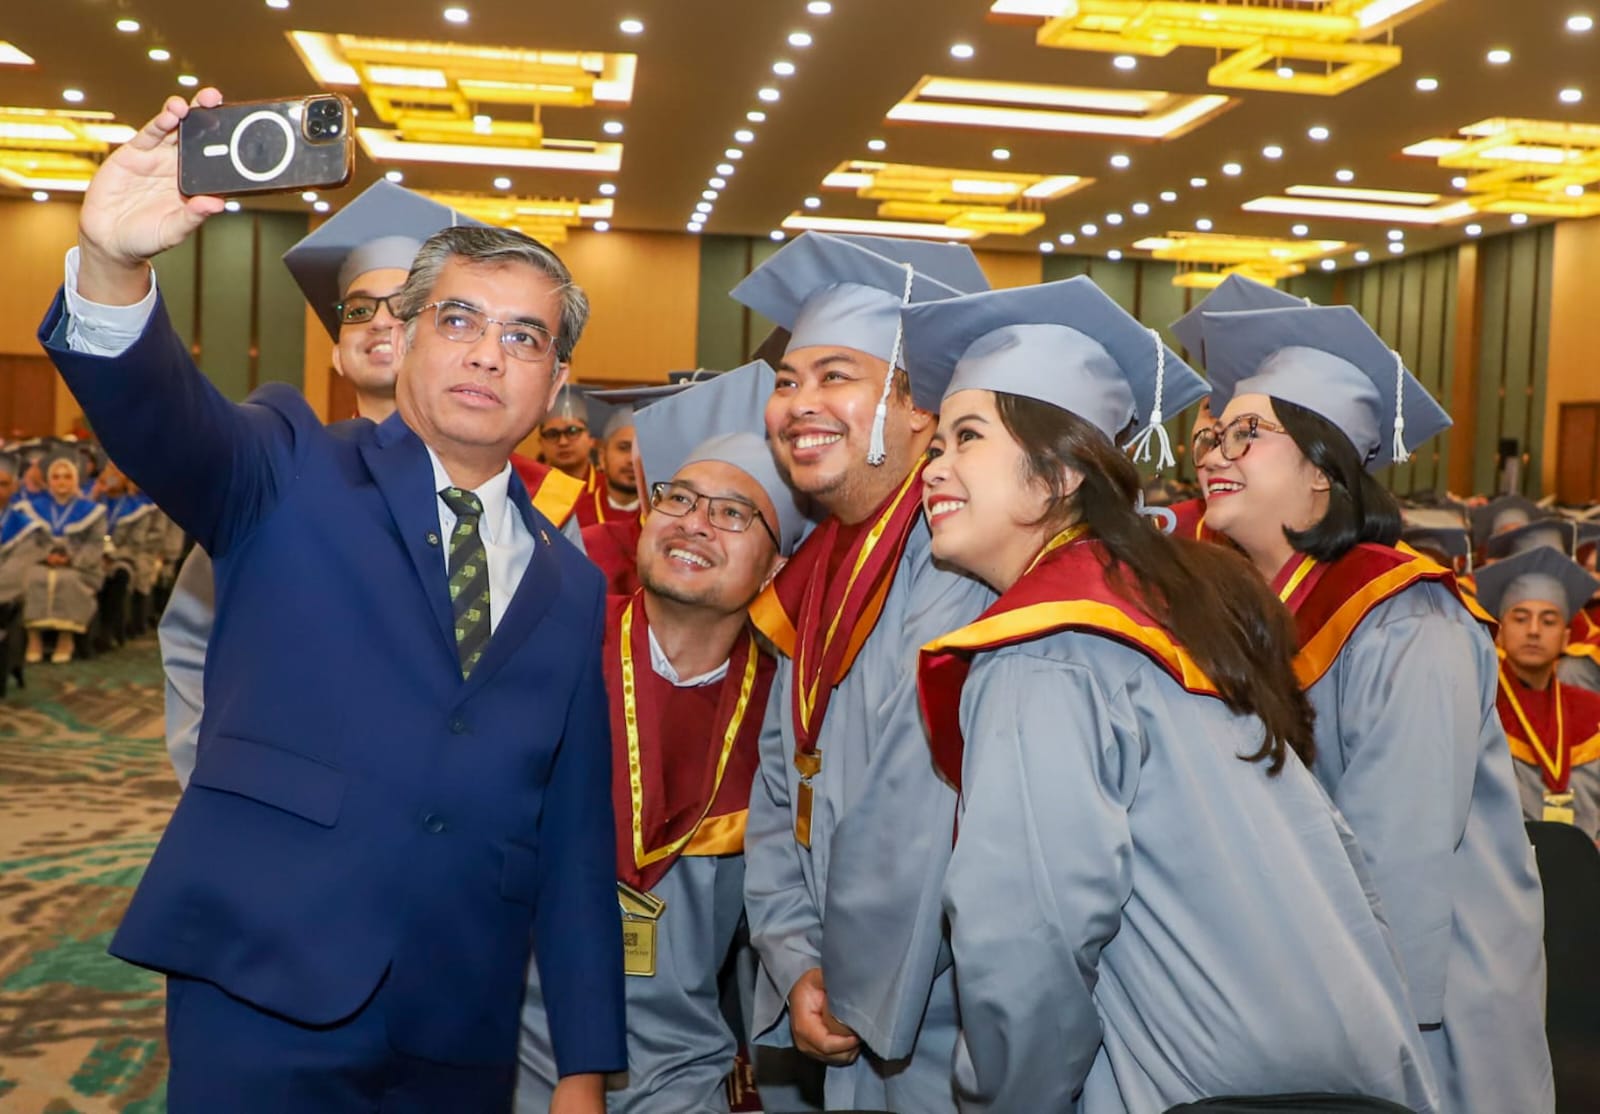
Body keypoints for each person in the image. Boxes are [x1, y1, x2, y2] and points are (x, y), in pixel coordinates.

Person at [38, 90, 624, 1112]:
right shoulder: (289, 465)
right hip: (265, 981)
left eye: (524, 337)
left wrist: (583, 1062)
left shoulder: (572, 584)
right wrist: (111, 263)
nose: (488, 352)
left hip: (459, 1015)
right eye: (459, 319)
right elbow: (160, 415)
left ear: (555, 380)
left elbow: (574, 839)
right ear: (409, 338)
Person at [905, 277, 1439, 1114]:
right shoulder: (1174, 596)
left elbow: (1026, 938)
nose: (933, 467)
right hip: (1332, 1064)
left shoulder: (1047, 651)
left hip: (1193, 1079)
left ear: (1058, 475)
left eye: (966, 436)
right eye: (934, 444)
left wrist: (1005, 1103)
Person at [1193, 301, 1553, 1114]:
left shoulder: (1407, 621)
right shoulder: (1252, 610)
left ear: (1322, 467)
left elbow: (1399, 875)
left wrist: (1354, 1051)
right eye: (1213, 435)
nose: (1216, 452)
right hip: (1299, 985)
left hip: (1424, 1016)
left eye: (1248, 433)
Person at [158, 181, 589, 787]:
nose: (383, 322)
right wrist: (223, 786)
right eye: (359, 310)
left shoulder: (538, 510)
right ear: (338, 351)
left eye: (409, 306)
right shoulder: (285, 474)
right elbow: (195, 638)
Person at [732, 231, 992, 1110]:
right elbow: (781, 783)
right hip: (841, 990)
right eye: (786, 381)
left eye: (835, 375)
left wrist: (842, 979)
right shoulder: (818, 566)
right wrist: (794, 956)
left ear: (922, 411)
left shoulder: (956, 562)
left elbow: (917, 817)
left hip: (938, 1017)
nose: (799, 404)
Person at [518, 360, 811, 1113]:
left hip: (681, 1071)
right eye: (678, 497)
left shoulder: (789, 716)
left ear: (776, 566)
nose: (694, 523)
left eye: (734, 513)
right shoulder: (548, 653)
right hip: (515, 1047)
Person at [1474, 546, 1600, 837]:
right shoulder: (1479, 706)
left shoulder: (1592, 711)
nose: (1533, 630)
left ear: (1566, 638)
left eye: (1548, 621)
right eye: (1520, 618)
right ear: (1499, 633)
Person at [21, 449, 106, 663]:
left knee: (68, 581)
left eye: (67, 476)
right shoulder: (33, 508)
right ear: (48, 481)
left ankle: (65, 638)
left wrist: (71, 559)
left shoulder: (93, 511)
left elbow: (95, 544)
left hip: (79, 566)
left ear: (75, 480)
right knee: (32, 578)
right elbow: (27, 541)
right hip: (40, 562)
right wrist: (44, 556)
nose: (61, 481)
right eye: (56, 476)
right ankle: (34, 638)